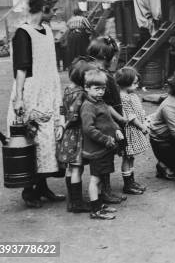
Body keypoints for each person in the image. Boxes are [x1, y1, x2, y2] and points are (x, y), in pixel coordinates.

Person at [7, 0, 66, 208]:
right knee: (32, 138)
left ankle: (42, 187)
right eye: (54, 9)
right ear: (44, 8)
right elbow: (21, 69)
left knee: (47, 140)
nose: (56, 12)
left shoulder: (47, 30)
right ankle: (28, 191)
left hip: (49, 90)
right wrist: (19, 98)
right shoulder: (24, 33)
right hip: (32, 92)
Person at [85, 36, 126, 204]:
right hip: (104, 121)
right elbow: (107, 104)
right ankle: (105, 191)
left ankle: (105, 190)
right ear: (110, 58)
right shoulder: (103, 76)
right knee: (105, 157)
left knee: (104, 157)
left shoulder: (92, 71)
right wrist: (120, 122)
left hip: (103, 118)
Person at [80, 69, 124, 220]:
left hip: (106, 149)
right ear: (87, 87)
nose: (100, 92)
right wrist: (105, 139)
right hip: (97, 149)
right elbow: (88, 128)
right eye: (96, 88)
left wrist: (117, 129)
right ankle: (95, 209)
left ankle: (99, 204)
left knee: (101, 176)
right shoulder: (88, 106)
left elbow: (109, 120)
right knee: (95, 179)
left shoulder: (101, 102)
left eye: (103, 88)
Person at [57, 57, 97, 213]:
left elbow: (62, 109)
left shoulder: (67, 89)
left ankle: (72, 200)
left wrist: (61, 125)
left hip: (68, 135)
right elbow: (73, 116)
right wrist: (67, 123)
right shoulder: (81, 93)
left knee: (70, 168)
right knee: (77, 169)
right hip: (76, 134)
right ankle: (76, 203)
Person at [115, 67, 149, 195]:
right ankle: (127, 184)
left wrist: (145, 120)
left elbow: (139, 110)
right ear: (124, 82)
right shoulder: (123, 97)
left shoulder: (132, 95)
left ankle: (132, 180)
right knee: (127, 156)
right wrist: (142, 126)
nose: (137, 85)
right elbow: (130, 116)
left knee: (131, 157)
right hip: (129, 131)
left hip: (135, 130)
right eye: (134, 83)